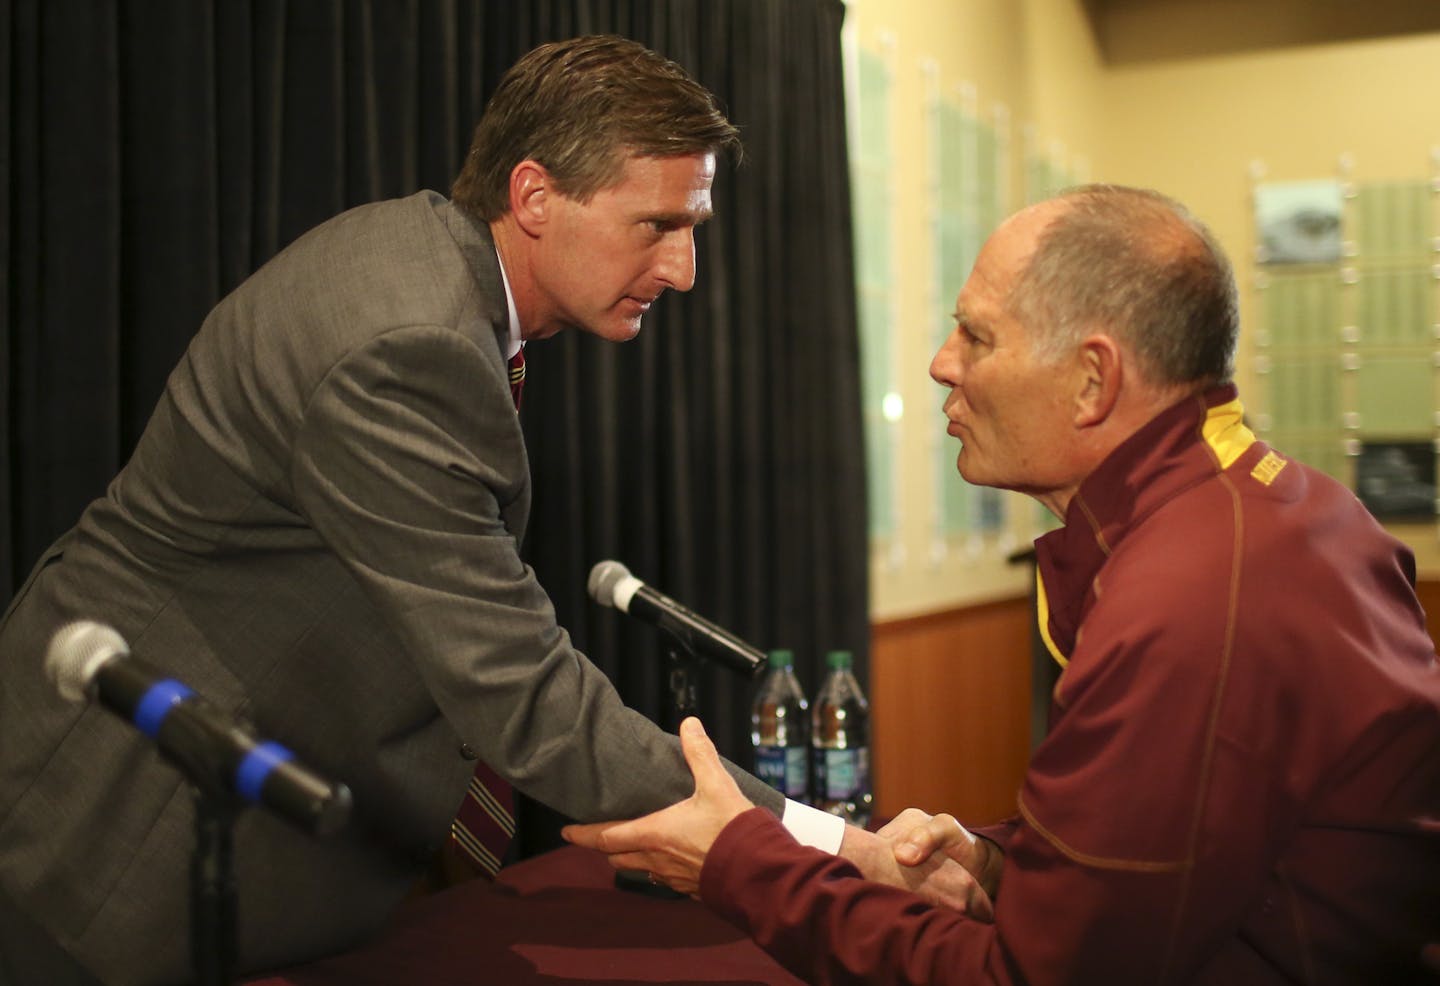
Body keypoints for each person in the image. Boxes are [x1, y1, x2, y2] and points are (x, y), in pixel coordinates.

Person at [0, 34, 958, 986]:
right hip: (112, 839)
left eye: (693, 227)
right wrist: (828, 848)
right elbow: (520, 691)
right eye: (657, 226)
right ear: (535, 195)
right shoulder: (407, 345)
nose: (684, 270)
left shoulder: (436, 281)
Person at [565, 184, 1440, 984]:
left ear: (1093, 380)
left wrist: (740, 864)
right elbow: (1205, 843)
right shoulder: (1271, 509)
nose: (944, 364)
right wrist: (995, 863)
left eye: (976, 335)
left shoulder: (1189, 596)